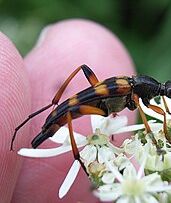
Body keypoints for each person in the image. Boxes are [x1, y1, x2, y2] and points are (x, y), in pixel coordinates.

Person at [0, 19, 136, 202]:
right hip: (69, 111)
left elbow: (113, 103)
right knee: (73, 106)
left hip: (90, 106)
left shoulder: (130, 87)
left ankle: (53, 107)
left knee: (76, 99)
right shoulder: (127, 88)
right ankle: (74, 151)